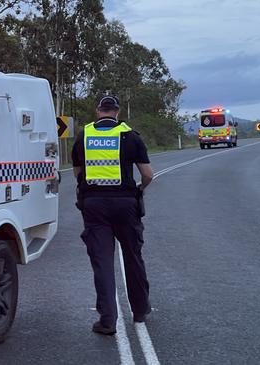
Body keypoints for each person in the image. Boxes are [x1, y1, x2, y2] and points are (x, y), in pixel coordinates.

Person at [72, 95, 154, 335]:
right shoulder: (130, 136)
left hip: (94, 205)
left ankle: (108, 321)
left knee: (102, 262)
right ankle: (140, 310)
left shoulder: (84, 135)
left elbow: (77, 170)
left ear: (99, 111)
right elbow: (148, 174)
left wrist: (88, 186)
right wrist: (138, 189)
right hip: (126, 205)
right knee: (132, 257)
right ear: (116, 112)